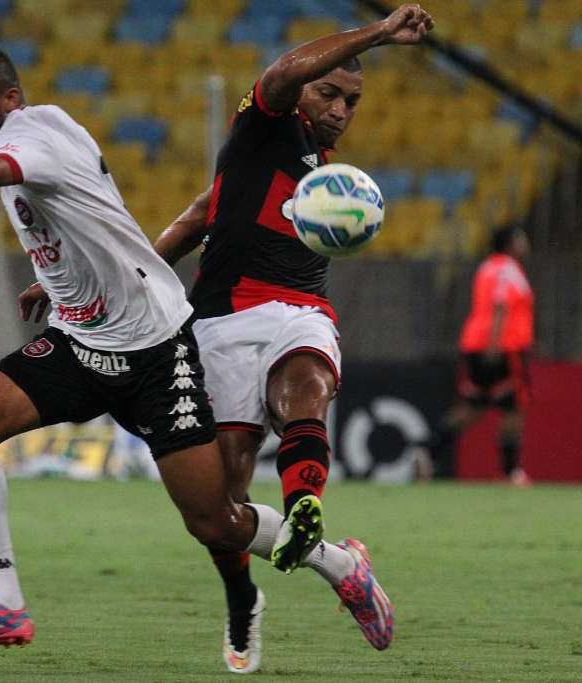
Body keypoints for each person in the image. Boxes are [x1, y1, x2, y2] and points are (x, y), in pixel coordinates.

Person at [0, 43, 295, 657]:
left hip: (153, 347)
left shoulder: (30, 136)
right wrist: (61, 282)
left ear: (9, 100)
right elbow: (87, 218)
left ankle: (330, 565)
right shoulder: (30, 136)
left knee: (214, 519)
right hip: (81, 338)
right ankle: (3, 603)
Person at [149, 4, 434, 671]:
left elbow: (201, 211)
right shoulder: (263, 123)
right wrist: (381, 33)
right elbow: (198, 215)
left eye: (352, 100)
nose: (340, 107)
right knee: (217, 509)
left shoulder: (322, 169)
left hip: (299, 305)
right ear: (305, 89)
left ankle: (305, 501)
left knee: (303, 385)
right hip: (218, 316)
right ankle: (331, 566)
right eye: (329, 91)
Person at [426, 226, 533, 485]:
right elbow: (500, 305)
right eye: (520, 237)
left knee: (473, 407)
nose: (525, 242)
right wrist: (495, 345)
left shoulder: (486, 267)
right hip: (503, 347)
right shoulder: (509, 270)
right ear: (510, 243)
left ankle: (429, 452)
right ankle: (509, 472)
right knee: (514, 408)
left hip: (474, 343)